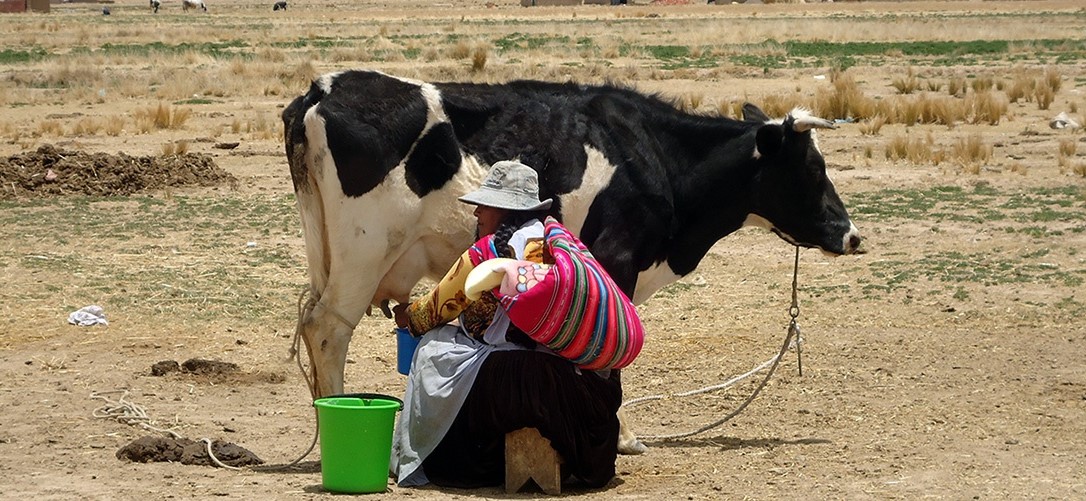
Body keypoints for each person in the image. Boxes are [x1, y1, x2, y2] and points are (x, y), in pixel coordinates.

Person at [390, 160, 622, 489]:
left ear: (503, 210)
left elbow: (432, 313)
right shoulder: (560, 244)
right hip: (583, 393)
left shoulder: (487, 254)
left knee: (435, 347)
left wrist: (405, 314)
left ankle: (436, 453)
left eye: (484, 206)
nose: (477, 214)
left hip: (528, 386)